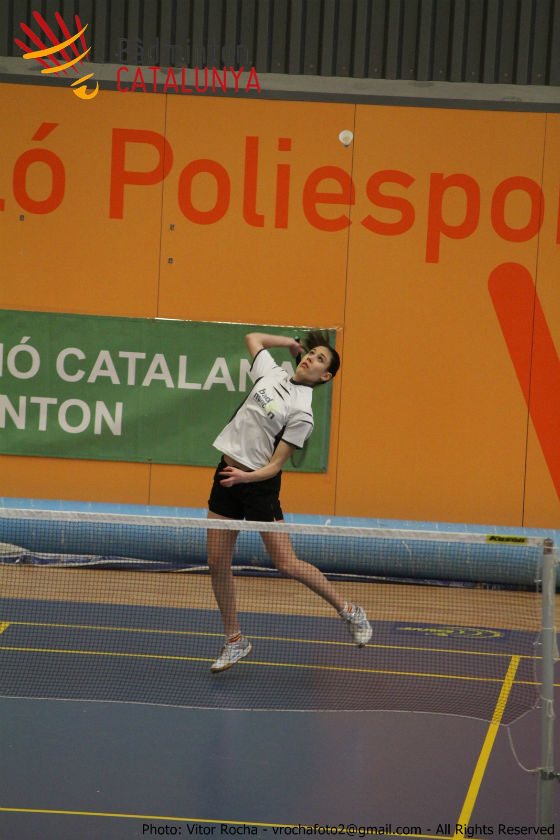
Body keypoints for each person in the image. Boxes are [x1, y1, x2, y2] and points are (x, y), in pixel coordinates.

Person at [207, 330, 372, 672]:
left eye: (320, 359)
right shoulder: (271, 373)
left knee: (286, 563)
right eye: (311, 353)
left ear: (325, 376)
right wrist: (289, 343)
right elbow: (253, 338)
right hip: (227, 475)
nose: (311, 358)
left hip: (257, 486)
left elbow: (275, 466)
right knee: (217, 562)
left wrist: (245, 479)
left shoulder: (302, 413)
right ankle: (235, 640)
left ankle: (350, 612)